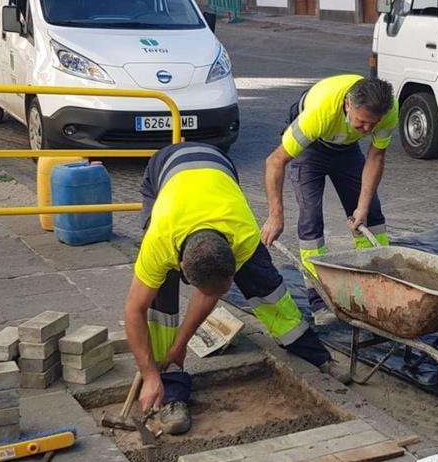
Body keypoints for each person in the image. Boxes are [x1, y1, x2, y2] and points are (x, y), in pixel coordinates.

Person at [124, 142, 348, 435]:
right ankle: (169, 389)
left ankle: (312, 351)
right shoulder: (159, 241)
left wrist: (181, 347)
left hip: (219, 169)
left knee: (265, 283)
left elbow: (211, 292)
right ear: (182, 267)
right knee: (159, 301)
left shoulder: (241, 232)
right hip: (163, 171)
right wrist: (149, 372)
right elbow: (133, 310)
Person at [261, 75, 397, 324]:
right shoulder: (319, 115)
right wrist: (275, 215)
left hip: (346, 151)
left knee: (372, 216)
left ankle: (373, 285)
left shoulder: (389, 111)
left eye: (372, 125)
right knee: (311, 219)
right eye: (362, 123)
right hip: (311, 148)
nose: (368, 130)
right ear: (347, 105)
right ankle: (319, 299)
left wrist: (363, 206)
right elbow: (274, 162)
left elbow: (376, 156)